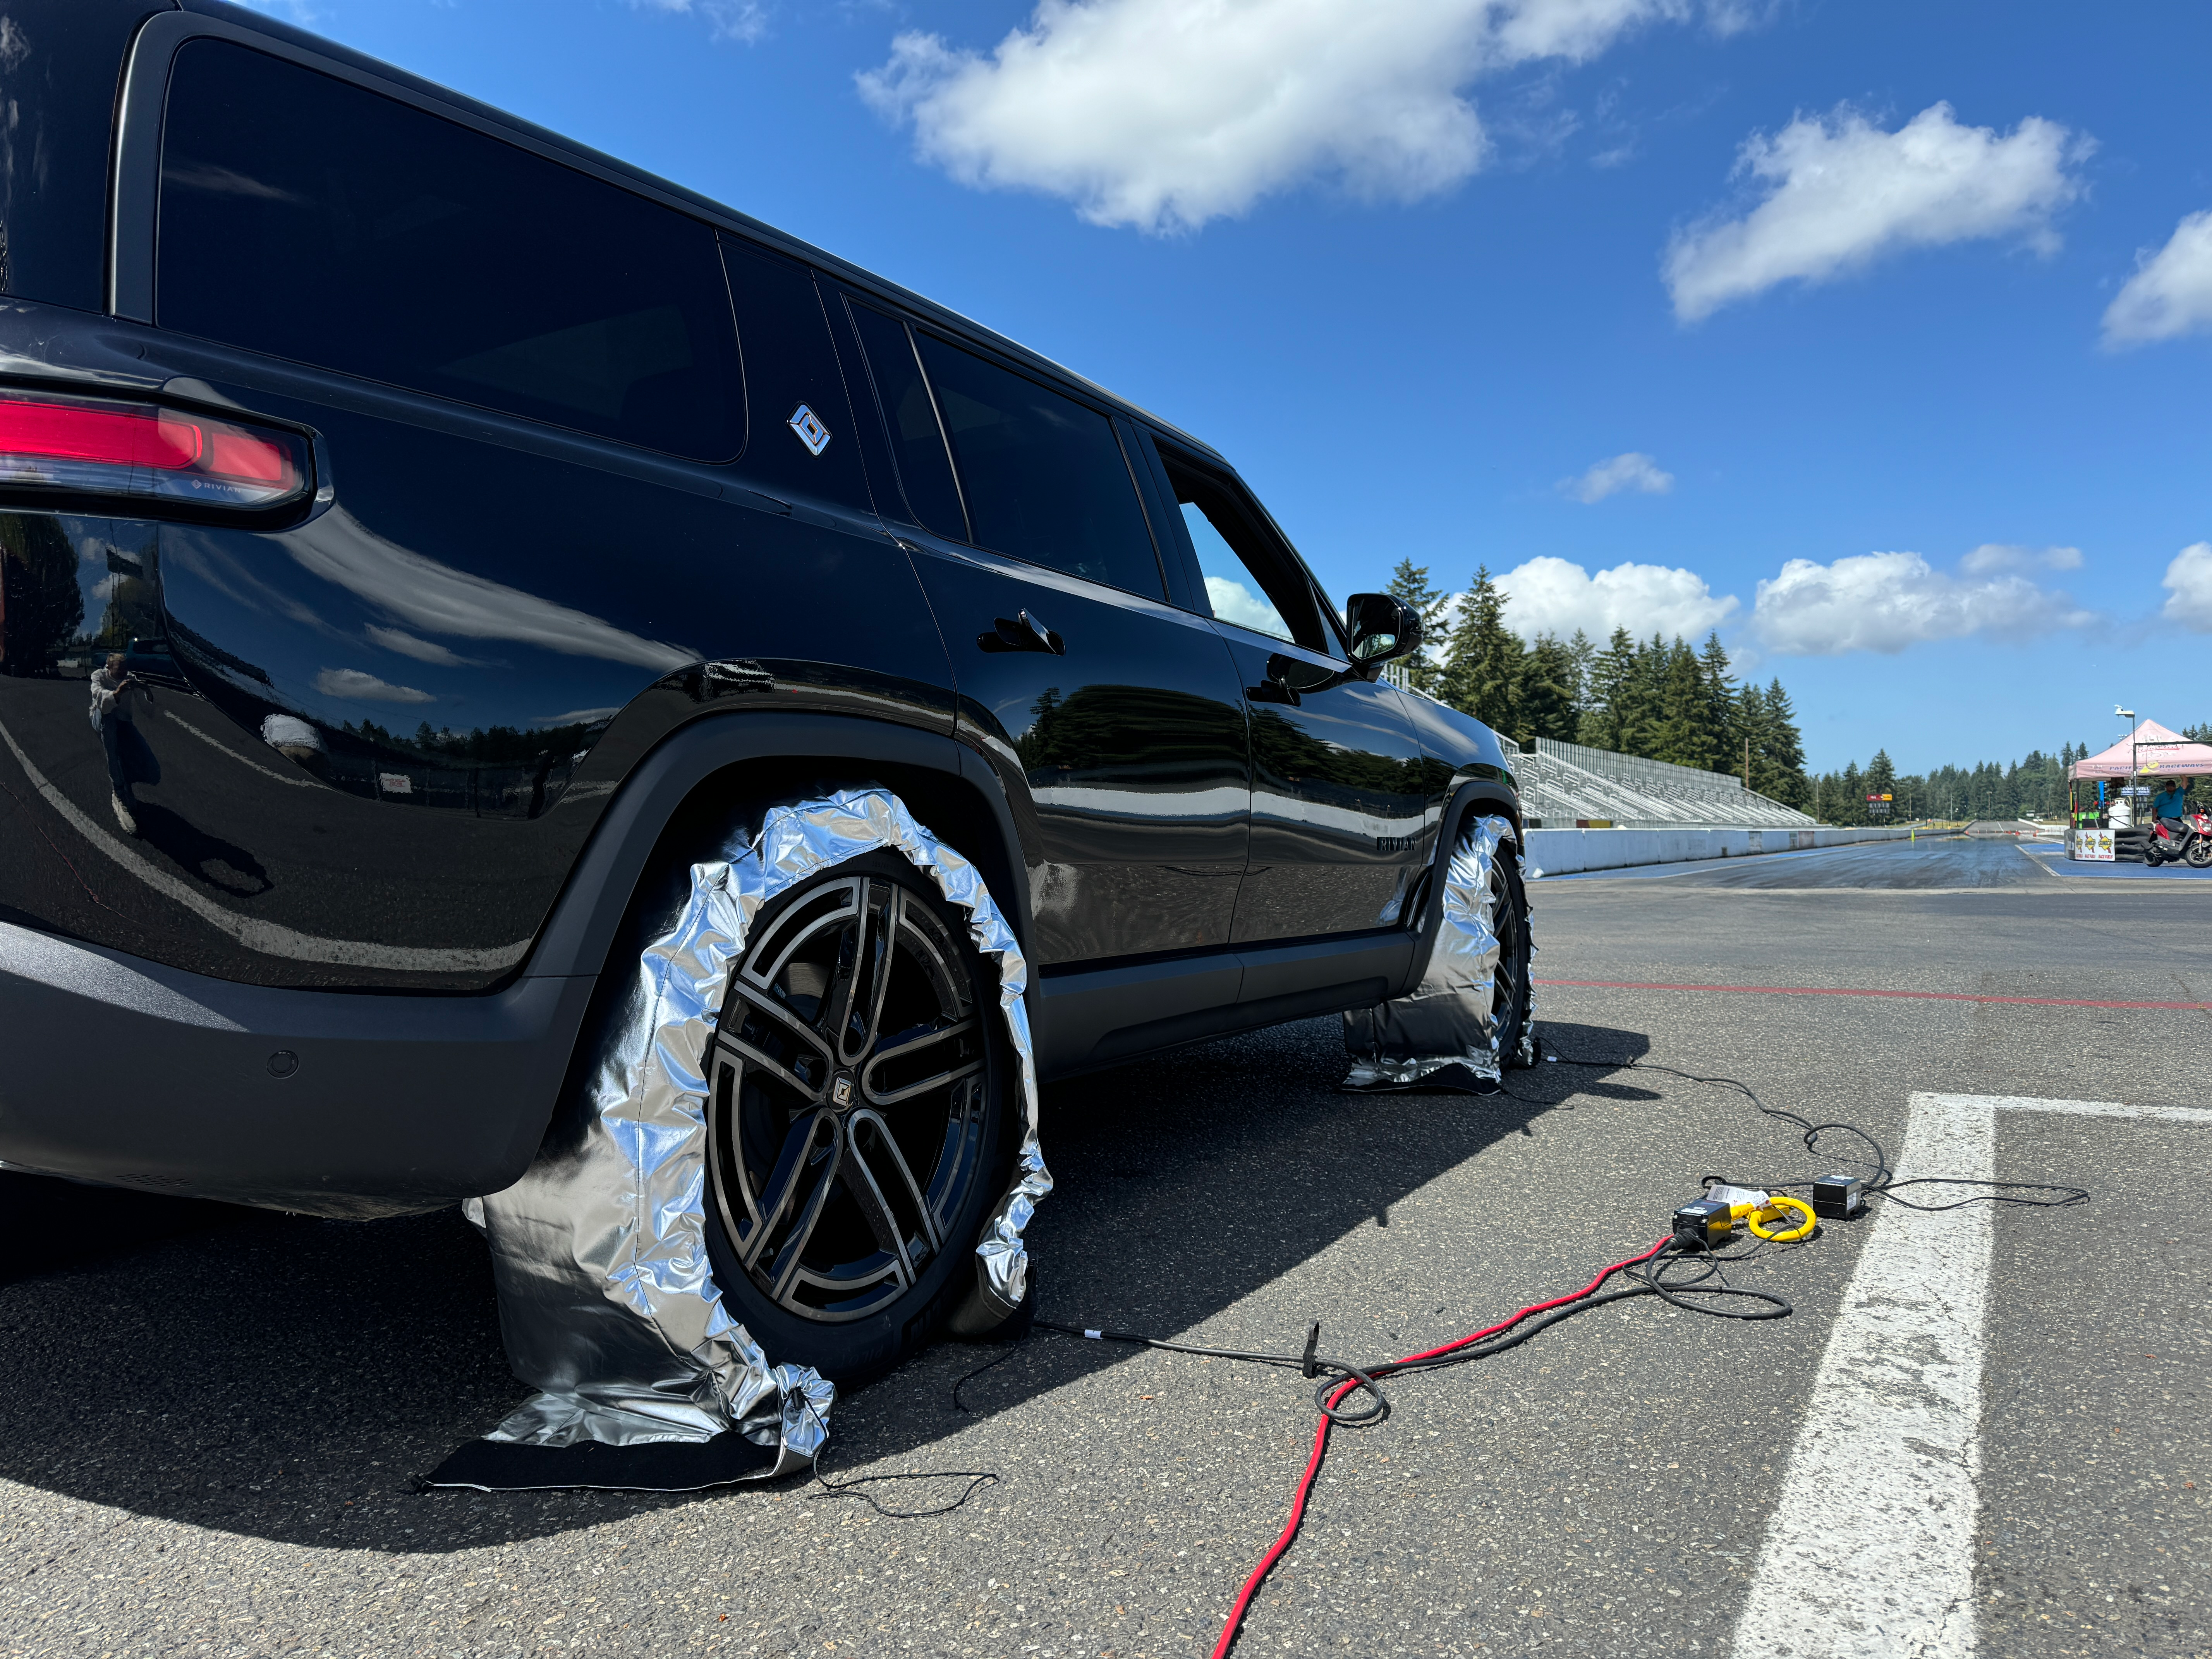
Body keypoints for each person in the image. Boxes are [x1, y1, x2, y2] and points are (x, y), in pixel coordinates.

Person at [88, 651, 147, 836]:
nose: (123, 674)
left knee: (148, 767)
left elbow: (146, 708)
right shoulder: (99, 676)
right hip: (100, 718)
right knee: (110, 728)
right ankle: (119, 792)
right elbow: (100, 698)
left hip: (123, 721)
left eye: (125, 670)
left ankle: (126, 786)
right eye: (118, 671)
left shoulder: (131, 677)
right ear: (109, 668)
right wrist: (118, 692)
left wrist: (147, 691)